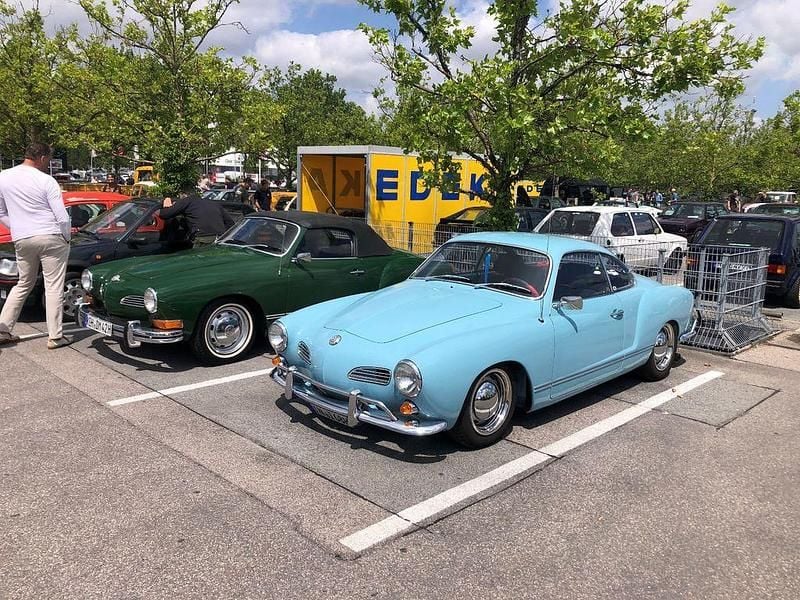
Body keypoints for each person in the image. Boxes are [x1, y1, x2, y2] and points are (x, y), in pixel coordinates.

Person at [0, 142, 72, 348]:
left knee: (23, 283)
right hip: (50, 235)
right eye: (48, 159)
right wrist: (66, 237)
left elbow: (1, 212)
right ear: (41, 158)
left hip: (23, 237)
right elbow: (61, 216)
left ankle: (3, 329)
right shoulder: (46, 180)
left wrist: (20, 228)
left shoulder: (3, 176)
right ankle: (55, 336)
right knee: (54, 286)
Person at [159, 183, 236, 239]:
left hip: (202, 239)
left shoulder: (187, 201)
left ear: (184, 195)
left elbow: (165, 214)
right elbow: (231, 223)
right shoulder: (213, 203)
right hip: (220, 239)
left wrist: (166, 206)